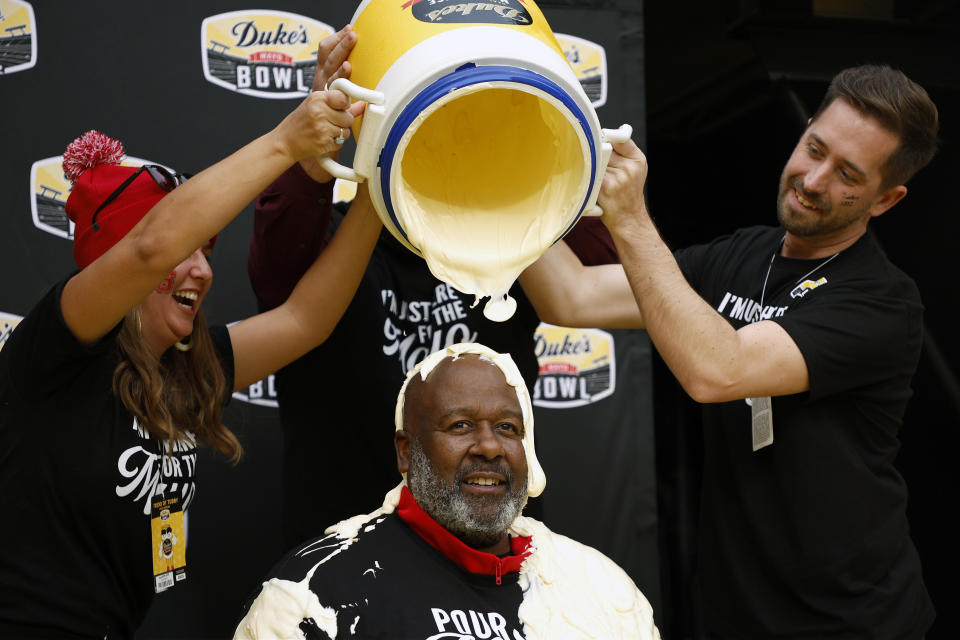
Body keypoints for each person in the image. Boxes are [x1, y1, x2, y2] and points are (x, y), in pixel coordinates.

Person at [528, 64, 938, 638]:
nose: (814, 180)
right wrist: (500, 192)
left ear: (886, 200)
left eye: (848, 173)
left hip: (851, 620)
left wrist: (630, 216)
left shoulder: (883, 301)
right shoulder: (746, 253)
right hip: (735, 609)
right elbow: (574, 298)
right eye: (813, 148)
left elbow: (717, 370)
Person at [0, 86, 382, 638]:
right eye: (188, 249)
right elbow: (150, 248)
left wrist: (378, 183)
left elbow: (306, 321)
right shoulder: (58, 350)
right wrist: (284, 142)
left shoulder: (184, 368)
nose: (201, 270)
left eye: (208, 250)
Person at [248, 25, 630, 548]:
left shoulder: (507, 231)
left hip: (493, 547)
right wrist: (326, 151)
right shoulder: (330, 240)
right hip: (350, 551)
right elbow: (276, 272)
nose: (448, 141)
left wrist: (535, 121)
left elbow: (598, 262)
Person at [234, 342, 661, 640]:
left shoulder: (601, 586)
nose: (490, 446)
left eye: (507, 428)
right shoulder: (313, 592)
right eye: (460, 425)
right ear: (406, 452)